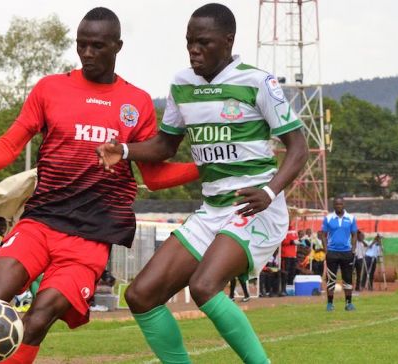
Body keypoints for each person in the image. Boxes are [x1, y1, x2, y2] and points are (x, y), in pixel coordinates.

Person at [0, 7, 199, 363]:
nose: (87, 53)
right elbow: (9, 145)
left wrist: (203, 169)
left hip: (91, 238)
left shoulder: (137, 103)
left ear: (117, 46)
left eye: (97, 46)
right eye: (81, 45)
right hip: (41, 221)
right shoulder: (52, 88)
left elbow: (155, 177)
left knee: (37, 319)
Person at [97, 4, 308, 363]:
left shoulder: (258, 82)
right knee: (141, 295)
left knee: (204, 286)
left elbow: (298, 147)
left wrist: (270, 191)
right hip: (212, 210)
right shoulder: (183, 84)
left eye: (203, 42)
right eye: (190, 42)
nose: (194, 50)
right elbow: (166, 145)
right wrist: (126, 150)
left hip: (255, 208)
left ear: (228, 41)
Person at [322, 197, 358, 311]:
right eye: (336, 204)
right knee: (331, 278)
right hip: (332, 252)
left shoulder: (351, 218)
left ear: (344, 205)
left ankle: (348, 303)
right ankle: (330, 304)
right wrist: (326, 250)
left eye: (340, 204)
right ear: (333, 205)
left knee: (347, 278)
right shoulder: (328, 218)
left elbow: (354, 235)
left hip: (347, 253)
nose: (338, 206)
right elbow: (323, 235)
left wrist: (353, 249)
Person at [280, 224, 299, 295]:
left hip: (293, 255)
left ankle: (290, 289)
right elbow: (282, 241)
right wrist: (291, 242)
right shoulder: (283, 229)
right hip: (285, 255)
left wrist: (295, 242)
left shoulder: (294, 230)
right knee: (285, 272)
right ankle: (283, 289)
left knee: (292, 272)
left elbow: (296, 239)